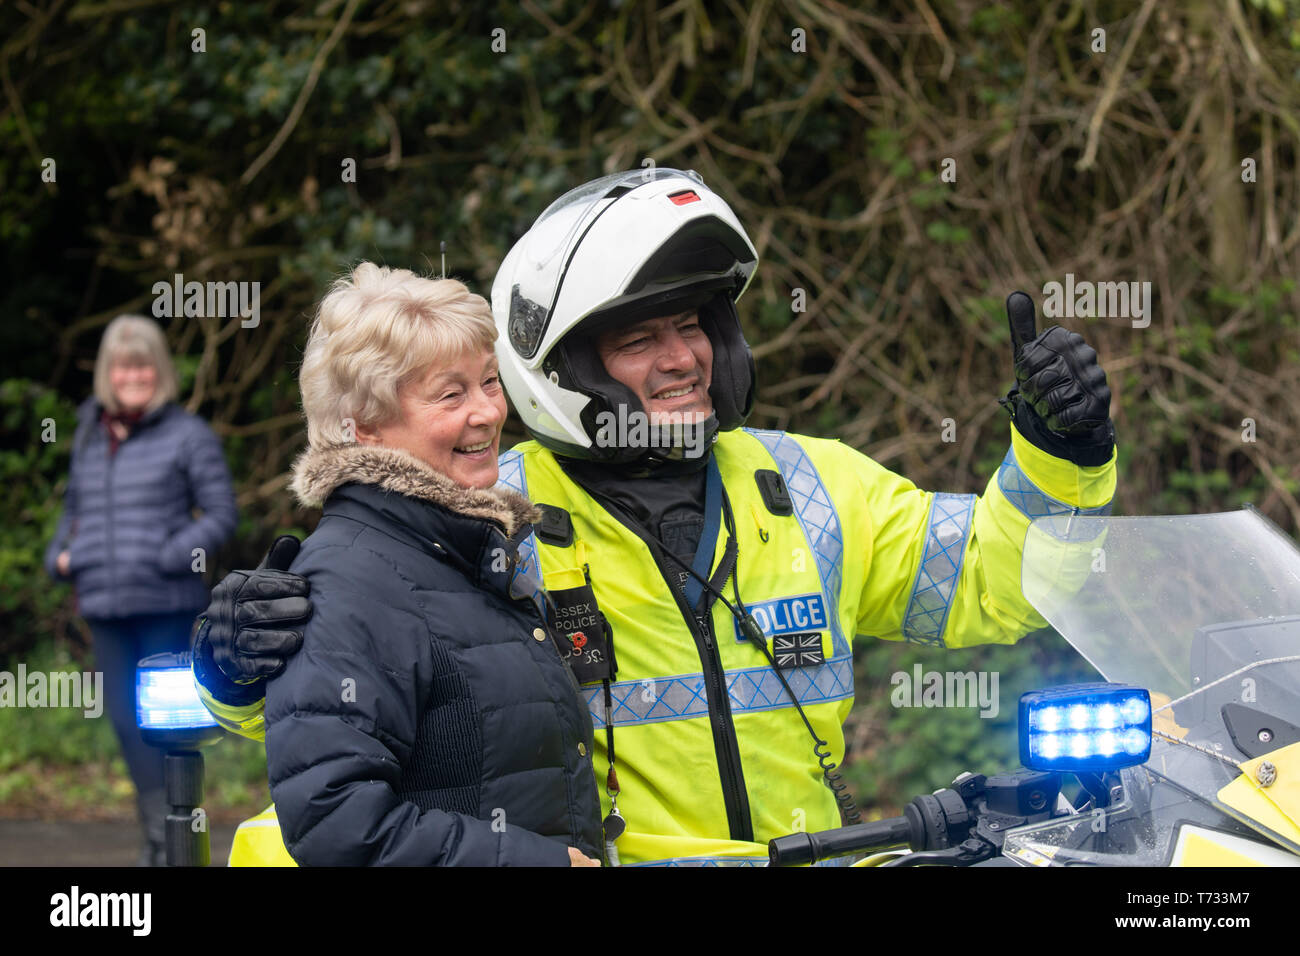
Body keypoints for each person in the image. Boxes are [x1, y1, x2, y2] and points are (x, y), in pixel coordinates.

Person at [196, 168, 1117, 866]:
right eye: (639, 337)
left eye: (695, 328)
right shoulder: (484, 515)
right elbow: (337, 716)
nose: (682, 359)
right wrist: (235, 669)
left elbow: (1000, 588)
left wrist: (1060, 452)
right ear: (567, 367)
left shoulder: (806, 483)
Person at [195, 263, 603, 866]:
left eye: (489, 382)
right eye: (450, 393)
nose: (489, 413)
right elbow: (337, 825)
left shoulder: (465, 554)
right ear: (363, 429)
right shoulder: (355, 578)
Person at [44, 313, 237, 865]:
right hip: (104, 606)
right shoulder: (87, 434)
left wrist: (171, 554)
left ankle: (179, 841)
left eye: (144, 365)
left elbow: (222, 513)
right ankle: (158, 842)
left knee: (172, 729)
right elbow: (74, 510)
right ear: (109, 372)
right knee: (129, 731)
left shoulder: (188, 435)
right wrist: (61, 555)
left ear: (159, 371)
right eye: (125, 366)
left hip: (164, 604)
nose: (135, 376)